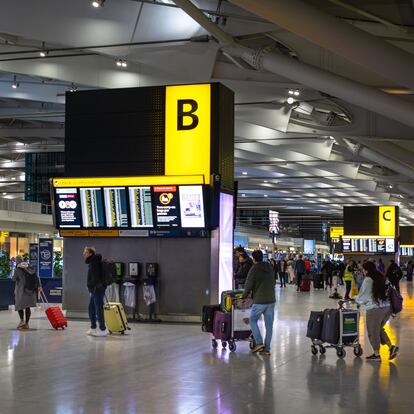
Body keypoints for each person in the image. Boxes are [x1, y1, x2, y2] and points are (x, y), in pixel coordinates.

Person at [354, 261, 399, 361]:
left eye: (363, 270)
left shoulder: (368, 280)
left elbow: (363, 296)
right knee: (378, 329)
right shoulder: (381, 277)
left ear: (367, 270)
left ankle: (376, 354)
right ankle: (391, 347)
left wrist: (355, 299)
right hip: (387, 308)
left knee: (373, 331)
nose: (363, 272)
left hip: (375, 309)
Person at [242, 250, 276, 356]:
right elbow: (274, 281)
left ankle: (259, 343)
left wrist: (243, 296)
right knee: (269, 326)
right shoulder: (269, 267)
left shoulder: (254, 269)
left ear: (254, 259)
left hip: (260, 300)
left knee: (252, 320)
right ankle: (267, 349)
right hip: (271, 300)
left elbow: (248, 284)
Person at [83, 246, 109, 337]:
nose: (83, 254)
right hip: (96, 288)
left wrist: (89, 285)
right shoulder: (93, 261)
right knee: (91, 308)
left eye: (85, 252)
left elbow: (95, 278)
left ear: (90, 253)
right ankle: (93, 327)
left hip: (97, 288)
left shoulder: (94, 262)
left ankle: (103, 329)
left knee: (98, 308)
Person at [12, 255, 40, 330]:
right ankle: (27, 323)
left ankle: (21, 321)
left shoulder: (17, 269)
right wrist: (39, 286)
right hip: (30, 289)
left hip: (21, 290)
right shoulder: (29, 266)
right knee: (27, 307)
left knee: (19, 305)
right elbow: (36, 277)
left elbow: (14, 279)